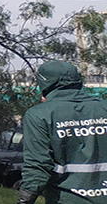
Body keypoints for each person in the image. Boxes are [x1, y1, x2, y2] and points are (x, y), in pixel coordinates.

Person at [18, 60, 107, 204]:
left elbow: (38, 164)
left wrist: (25, 199)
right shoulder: (103, 108)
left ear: (44, 83)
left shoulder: (40, 114)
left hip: (68, 199)